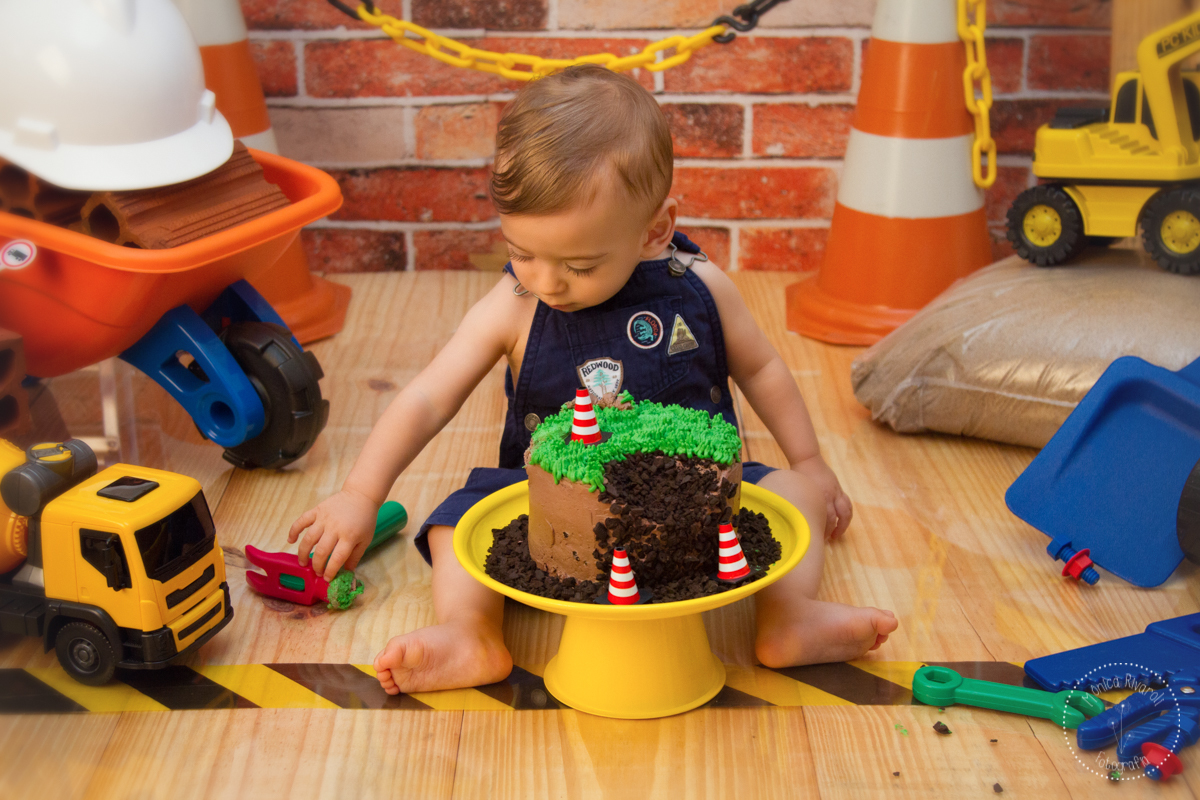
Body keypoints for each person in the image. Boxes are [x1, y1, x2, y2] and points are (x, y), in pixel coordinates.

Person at [288, 64, 898, 695]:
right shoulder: (516, 301)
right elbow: (425, 397)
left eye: (579, 264)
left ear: (654, 230)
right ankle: (471, 631)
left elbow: (765, 368)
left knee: (796, 492)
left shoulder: (701, 288)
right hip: (554, 516)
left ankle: (787, 620)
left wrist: (809, 459)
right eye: (523, 251)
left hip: (698, 514)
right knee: (453, 523)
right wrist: (362, 492)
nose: (546, 281)